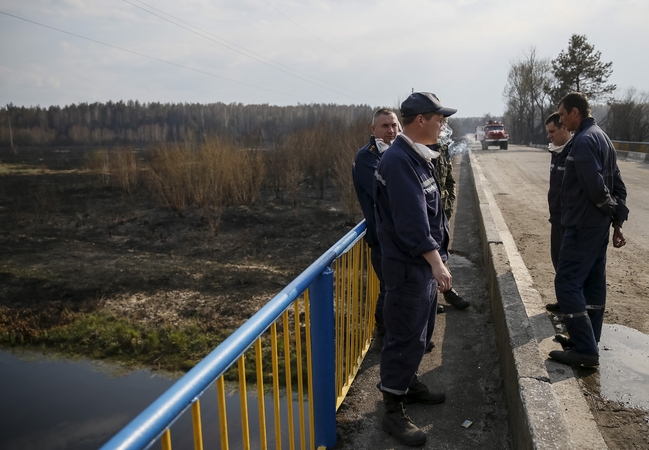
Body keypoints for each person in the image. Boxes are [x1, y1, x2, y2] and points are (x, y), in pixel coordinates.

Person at [374, 92, 455, 446]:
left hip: (418, 267)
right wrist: (437, 262)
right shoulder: (399, 161)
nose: (443, 124)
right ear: (420, 120)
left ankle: (408, 383)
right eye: (439, 118)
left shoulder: (416, 156)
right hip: (409, 267)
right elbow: (411, 223)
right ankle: (392, 409)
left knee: (419, 332)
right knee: (405, 336)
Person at [549, 92, 629, 367]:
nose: (560, 120)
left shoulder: (582, 141)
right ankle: (588, 340)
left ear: (575, 112)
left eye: (561, 115)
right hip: (597, 227)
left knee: (566, 282)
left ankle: (584, 349)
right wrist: (616, 219)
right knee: (593, 285)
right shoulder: (603, 138)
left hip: (582, 224)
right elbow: (619, 185)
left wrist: (608, 209)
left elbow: (597, 187)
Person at [352, 108, 399, 350]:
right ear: (373, 129)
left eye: (394, 125)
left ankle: (399, 336)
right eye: (384, 126)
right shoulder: (366, 157)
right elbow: (386, 192)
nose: (391, 131)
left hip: (398, 234)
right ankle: (383, 337)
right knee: (390, 288)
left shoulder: (397, 152)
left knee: (396, 287)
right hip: (381, 236)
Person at [433, 124, 470, 311]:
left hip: (442, 212)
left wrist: (448, 202)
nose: (442, 127)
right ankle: (432, 299)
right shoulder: (419, 149)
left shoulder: (443, 147)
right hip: (427, 214)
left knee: (441, 253)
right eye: (439, 122)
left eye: (444, 123)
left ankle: (448, 291)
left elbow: (449, 180)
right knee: (429, 256)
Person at [543, 112, 572, 313]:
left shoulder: (575, 152)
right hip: (556, 219)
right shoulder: (556, 152)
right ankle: (563, 302)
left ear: (564, 127)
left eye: (552, 131)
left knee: (569, 267)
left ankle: (572, 310)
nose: (549, 136)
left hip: (569, 221)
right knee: (558, 263)